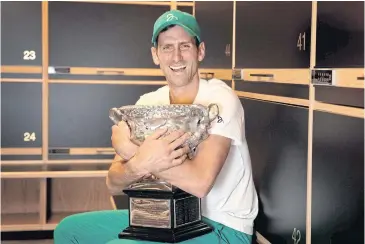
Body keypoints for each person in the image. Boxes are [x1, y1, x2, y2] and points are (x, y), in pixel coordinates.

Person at [54, 9, 258, 244]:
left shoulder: (221, 100)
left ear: (200, 51)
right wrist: (140, 162)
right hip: (162, 217)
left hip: (222, 226)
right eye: (167, 47)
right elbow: (113, 183)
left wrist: (132, 152)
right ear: (155, 54)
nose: (176, 57)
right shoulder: (148, 103)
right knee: (69, 231)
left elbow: (199, 184)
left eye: (185, 46)